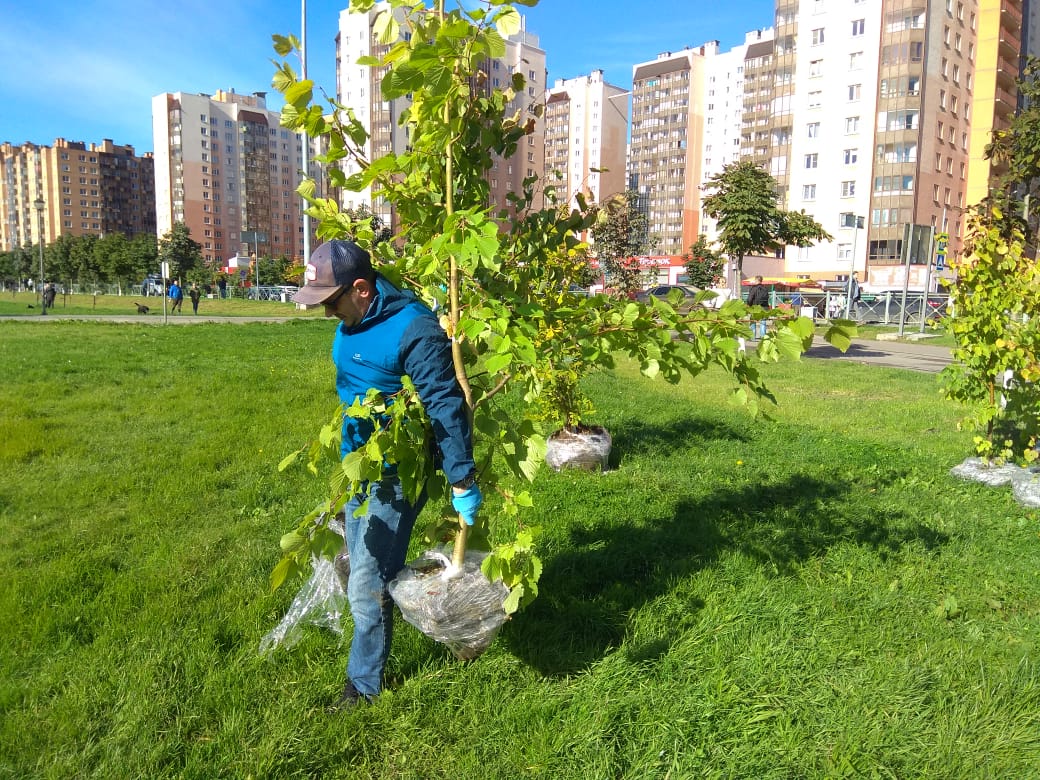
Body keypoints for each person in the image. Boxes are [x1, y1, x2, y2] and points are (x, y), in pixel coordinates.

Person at [292, 239, 483, 711]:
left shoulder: (413, 329)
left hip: (397, 473)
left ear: (360, 289)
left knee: (366, 581)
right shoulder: (357, 317)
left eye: (330, 303)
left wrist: (461, 478)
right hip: (361, 464)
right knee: (367, 566)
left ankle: (363, 686)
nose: (325, 314)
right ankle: (404, 599)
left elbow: (443, 402)